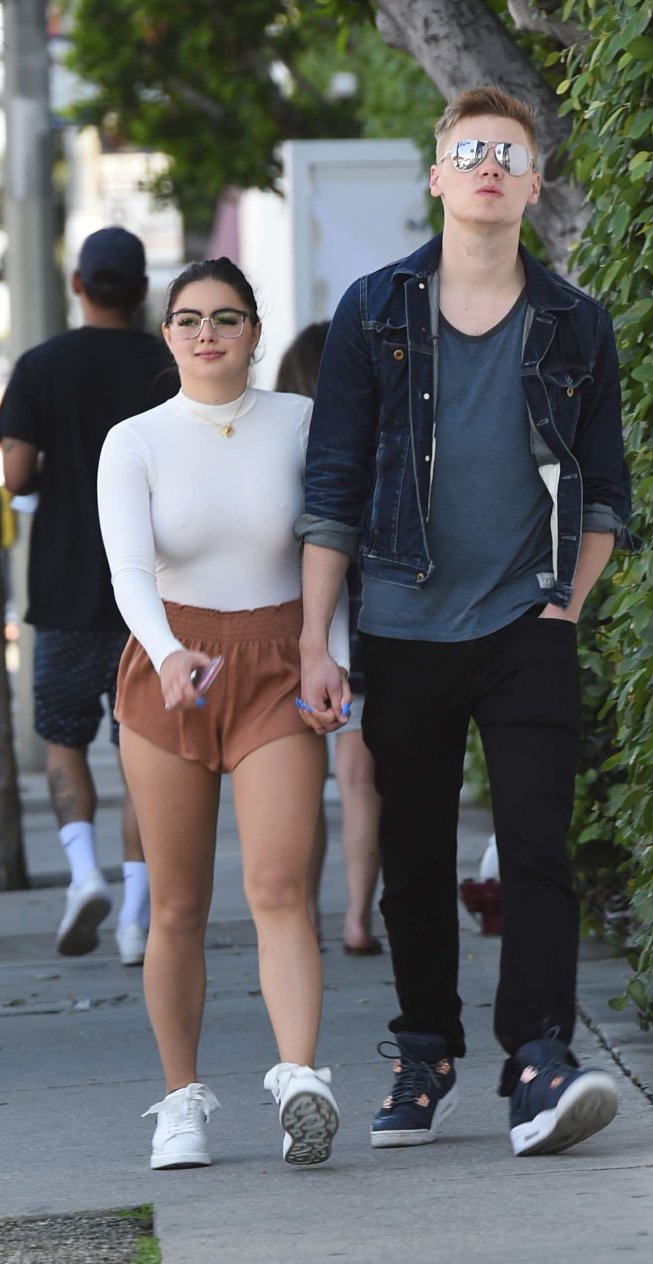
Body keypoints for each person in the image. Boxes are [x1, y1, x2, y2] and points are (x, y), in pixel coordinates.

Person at [296, 85, 636, 1157]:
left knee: (536, 848)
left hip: (526, 622)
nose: (491, 165)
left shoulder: (576, 322)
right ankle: (425, 1053)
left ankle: (537, 1058)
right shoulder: (374, 311)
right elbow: (333, 485)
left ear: (532, 187)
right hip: (401, 623)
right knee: (411, 853)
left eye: (511, 154)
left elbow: (605, 492)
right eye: (472, 151)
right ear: (439, 175)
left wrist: (564, 605)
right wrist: (316, 640)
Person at [97, 258, 348, 1171]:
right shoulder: (134, 440)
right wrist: (168, 653)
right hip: (172, 669)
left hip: (280, 663)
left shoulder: (302, 421)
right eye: (190, 319)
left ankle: (300, 1080)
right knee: (177, 904)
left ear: (255, 331)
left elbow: (329, 547)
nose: (208, 334)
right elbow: (130, 570)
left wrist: (331, 655)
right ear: (167, 334)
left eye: (227, 318)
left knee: (280, 888)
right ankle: (180, 1104)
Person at [0, 226, 177, 966]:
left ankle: (82, 876)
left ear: (77, 284)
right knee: (144, 752)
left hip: (65, 588)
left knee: (63, 739)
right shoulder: (167, 364)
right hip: (154, 594)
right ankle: (135, 918)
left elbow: (15, 473)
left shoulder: (41, 366)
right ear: (142, 291)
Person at [275, 322, 382, 956]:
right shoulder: (375, 437)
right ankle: (359, 921)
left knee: (303, 786)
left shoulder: (286, 451)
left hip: (304, 633)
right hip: (371, 628)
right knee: (362, 783)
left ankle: (306, 918)